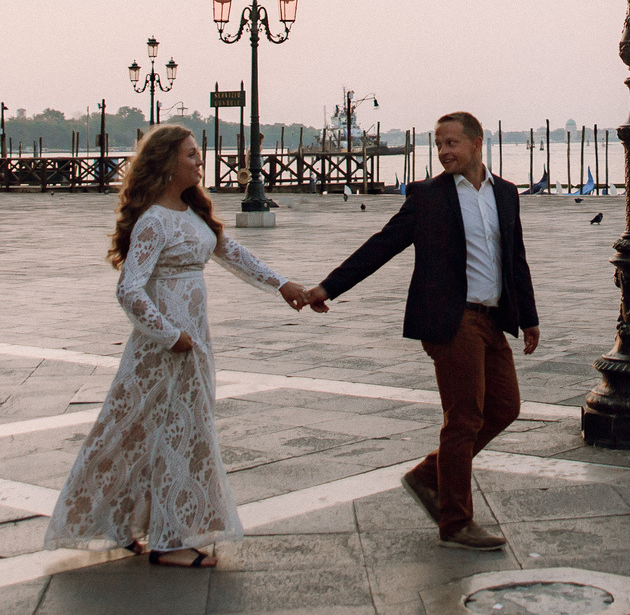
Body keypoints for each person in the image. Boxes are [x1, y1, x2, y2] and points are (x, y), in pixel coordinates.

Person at [46, 124, 314, 568]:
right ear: (168, 162)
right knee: (157, 432)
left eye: (197, 154)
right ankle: (170, 541)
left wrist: (282, 284)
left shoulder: (192, 213)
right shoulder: (154, 219)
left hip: (193, 340)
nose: (199, 160)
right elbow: (129, 290)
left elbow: (233, 253)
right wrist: (169, 334)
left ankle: (130, 524)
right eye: (190, 154)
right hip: (165, 345)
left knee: (165, 431)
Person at [302, 112, 539, 549]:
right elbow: (383, 243)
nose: (444, 151)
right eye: (438, 144)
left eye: (452, 143)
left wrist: (529, 317)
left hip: (492, 319)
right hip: (451, 320)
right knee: (464, 418)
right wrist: (328, 286)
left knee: (504, 407)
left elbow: (515, 256)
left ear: (476, 143)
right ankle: (455, 521)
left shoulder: (505, 194)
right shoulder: (428, 196)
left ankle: (428, 475)